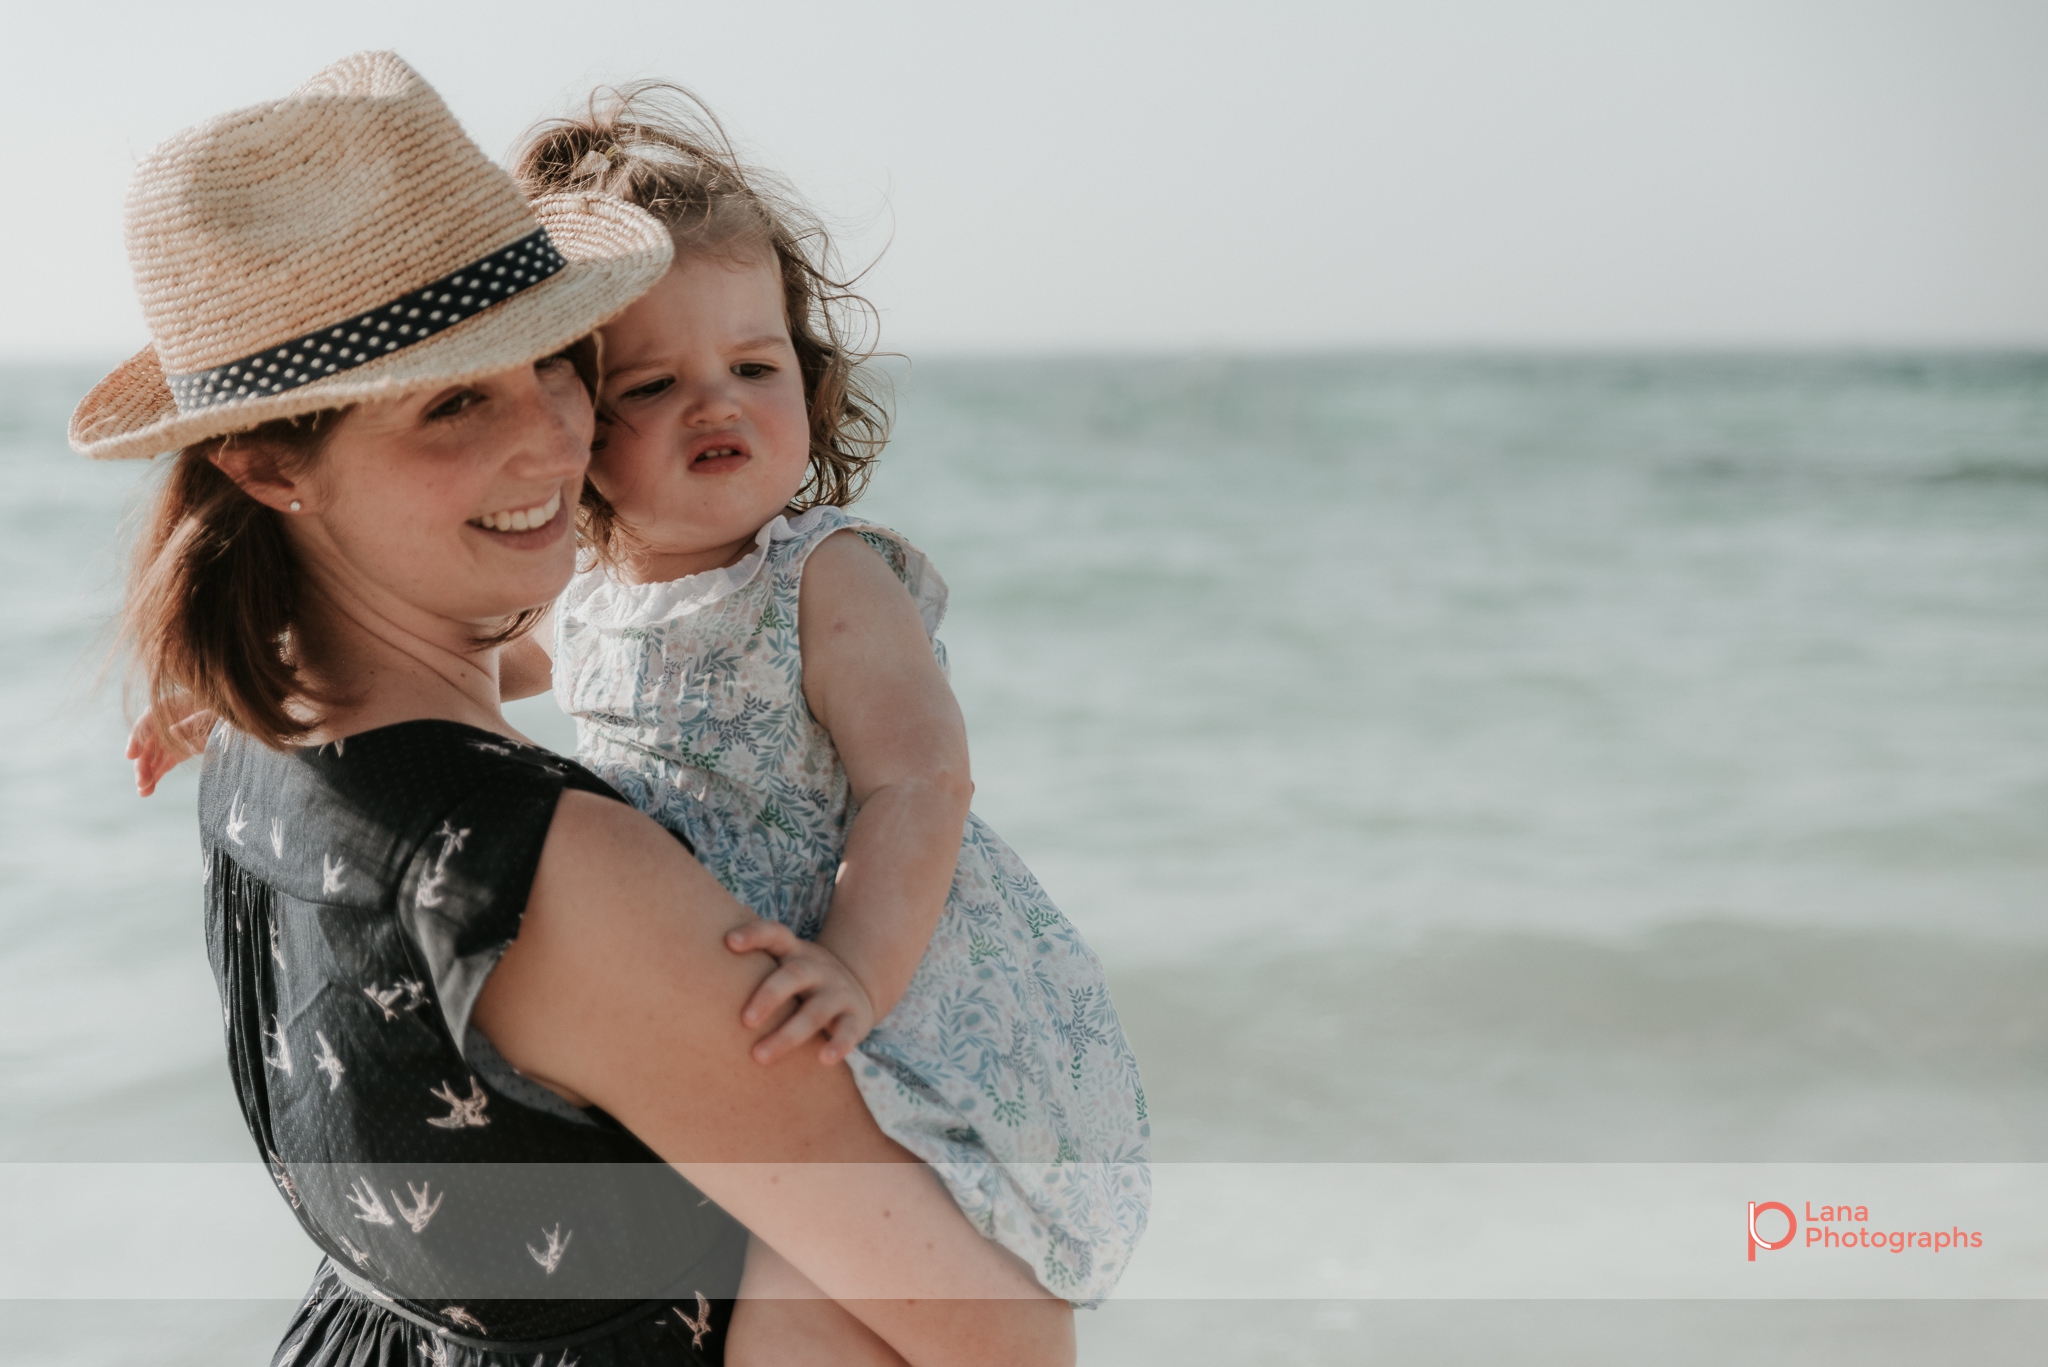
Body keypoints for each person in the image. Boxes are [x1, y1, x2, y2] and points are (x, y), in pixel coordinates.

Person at [87, 50, 1072, 1367]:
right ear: (269, 463)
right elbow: (1002, 1327)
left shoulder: (271, 757)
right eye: (454, 401)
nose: (559, 438)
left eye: (557, 361)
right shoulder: (546, 870)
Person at [499, 88, 1152, 1327]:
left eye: (755, 364)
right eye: (652, 383)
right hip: (748, 1029)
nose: (717, 401)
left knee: (809, 1320)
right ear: (574, 425)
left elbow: (920, 778)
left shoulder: (822, 574)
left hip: (887, 1006)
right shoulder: (582, 599)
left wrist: (858, 965)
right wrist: (258, 693)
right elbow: (451, 669)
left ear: (810, 376)